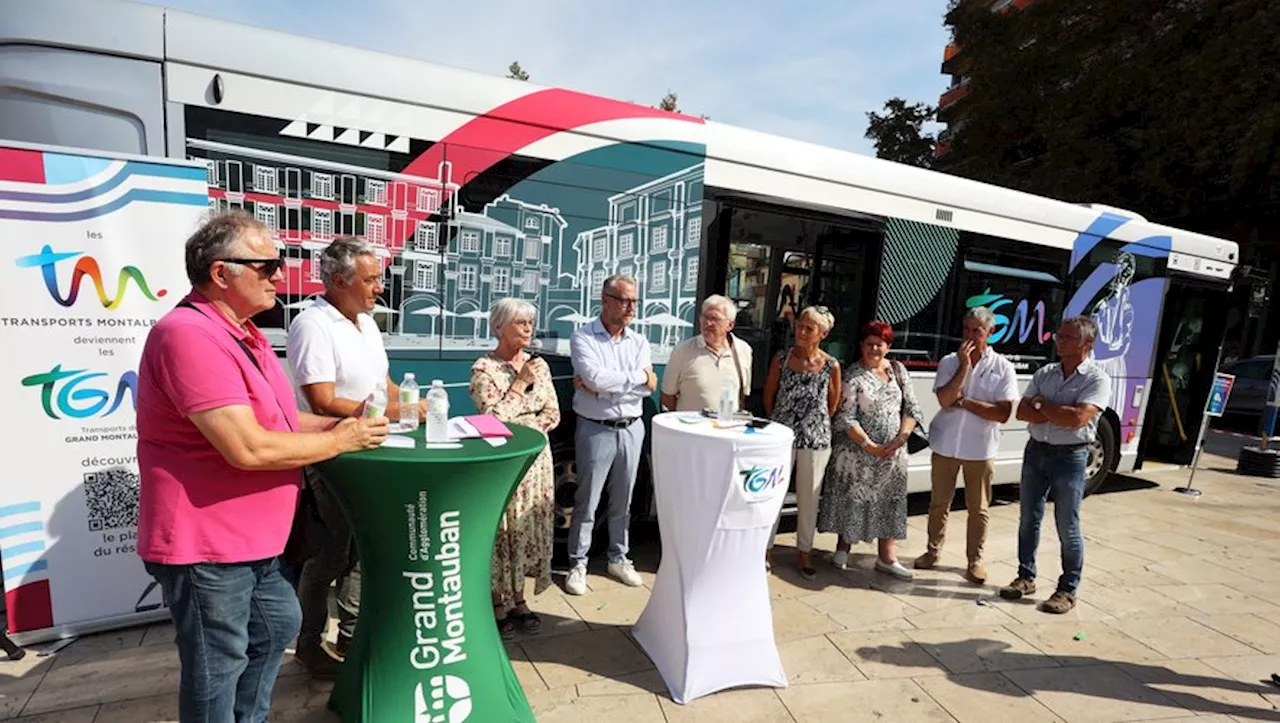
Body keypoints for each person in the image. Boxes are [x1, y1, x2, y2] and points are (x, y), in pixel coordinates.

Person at [136, 211, 387, 722]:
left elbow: (280, 417)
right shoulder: (189, 335)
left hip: (255, 540)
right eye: (267, 265)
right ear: (221, 273)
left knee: (276, 623)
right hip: (207, 543)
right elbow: (247, 447)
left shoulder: (243, 334)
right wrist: (342, 438)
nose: (280, 275)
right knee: (217, 664)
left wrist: (352, 420)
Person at [285, 236, 419, 679]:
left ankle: (352, 635)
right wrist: (390, 410)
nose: (379, 287)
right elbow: (321, 401)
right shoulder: (312, 324)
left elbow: (384, 385)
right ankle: (309, 642)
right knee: (333, 552)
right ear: (340, 281)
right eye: (371, 279)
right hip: (334, 454)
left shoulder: (368, 323)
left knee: (366, 546)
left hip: (374, 450)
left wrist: (416, 403)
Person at [1000, 315, 1111, 614]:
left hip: (1071, 457)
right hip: (1036, 451)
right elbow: (1022, 412)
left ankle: (1067, 589)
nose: (1059, 340)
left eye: (1068, 337)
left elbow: (1078, 419)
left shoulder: (1097, 379)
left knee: (1067, 524)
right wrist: (1052, 411)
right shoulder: (1046, 372)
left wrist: (1041, 405)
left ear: (1087, 344)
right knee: (1028, 519)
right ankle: (1025, 577)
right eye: (1059, 335)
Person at [469, 297, 560, 638]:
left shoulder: (541, 366)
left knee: (526, 530)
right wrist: (520, 385)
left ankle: (520, 599)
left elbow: (552, 413)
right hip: (505, 465)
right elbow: (491, 420)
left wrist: (523, 426)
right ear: (498, 327)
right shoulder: (483, 370)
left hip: (537, 463)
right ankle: (497, 602)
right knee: (503, 533)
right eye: (520, 322)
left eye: (530, 322)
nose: (527, 328)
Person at [914, 307, 1019, 584]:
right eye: (966, 330)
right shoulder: (951, 361)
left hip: (980, 448)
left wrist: (965, 402)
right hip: (946, 443)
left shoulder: (1003, 367)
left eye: (977, 331)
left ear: (990, 333)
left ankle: (975, 560)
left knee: (979, 508)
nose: (970, 336)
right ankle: (932, 551)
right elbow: (946, 400)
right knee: (939, 503)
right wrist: (964, 366)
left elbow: (1002, 413)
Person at [565, 274, 656, 596]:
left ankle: (619, 557)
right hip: (595, 429)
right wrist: (632, 381)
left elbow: (648, 387)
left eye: (634, 301)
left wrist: (604, 386)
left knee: (624, 500)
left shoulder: (639, 341)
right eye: (625, 300)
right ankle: (578, 563)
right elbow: (596, 377)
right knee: (587, 501)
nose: (631, 307)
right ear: (605, 300)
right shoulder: (583, 337)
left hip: (633, 427)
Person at [818, 320, 922, 581]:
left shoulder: (899, 370)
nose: (874, 349)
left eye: (880, 344)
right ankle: (843, 548)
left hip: (893, 453)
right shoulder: (853, 375)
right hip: (858, 452)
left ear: (888, 346)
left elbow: (912, 408)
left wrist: (901, 438)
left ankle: (887, 557)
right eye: (869, 344)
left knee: (889, 502)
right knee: (855, 497)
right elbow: (845, 418)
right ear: (862, 346)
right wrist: (870, 446)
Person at [764, 305, 841, 578]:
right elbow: (769, 395)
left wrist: (812, 425)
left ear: (822, 334)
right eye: (800, 326)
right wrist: (781, 423)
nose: (801, 331)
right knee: (774, 493)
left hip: (816, 438)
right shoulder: (782, 359)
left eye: (809, 328)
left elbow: (832, 404)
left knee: (810, 497)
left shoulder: (831, 365)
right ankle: (766, 550)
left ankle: (804, 551)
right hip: (782, 436)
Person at [660, 294, 752, 412]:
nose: (708, 323)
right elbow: (667, 396)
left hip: (728, 428)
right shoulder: (682, 351)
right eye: (705, 317)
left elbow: (743, 394)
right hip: (691, 429)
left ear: (730, 325)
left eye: (715, 319)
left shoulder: (743, 350)